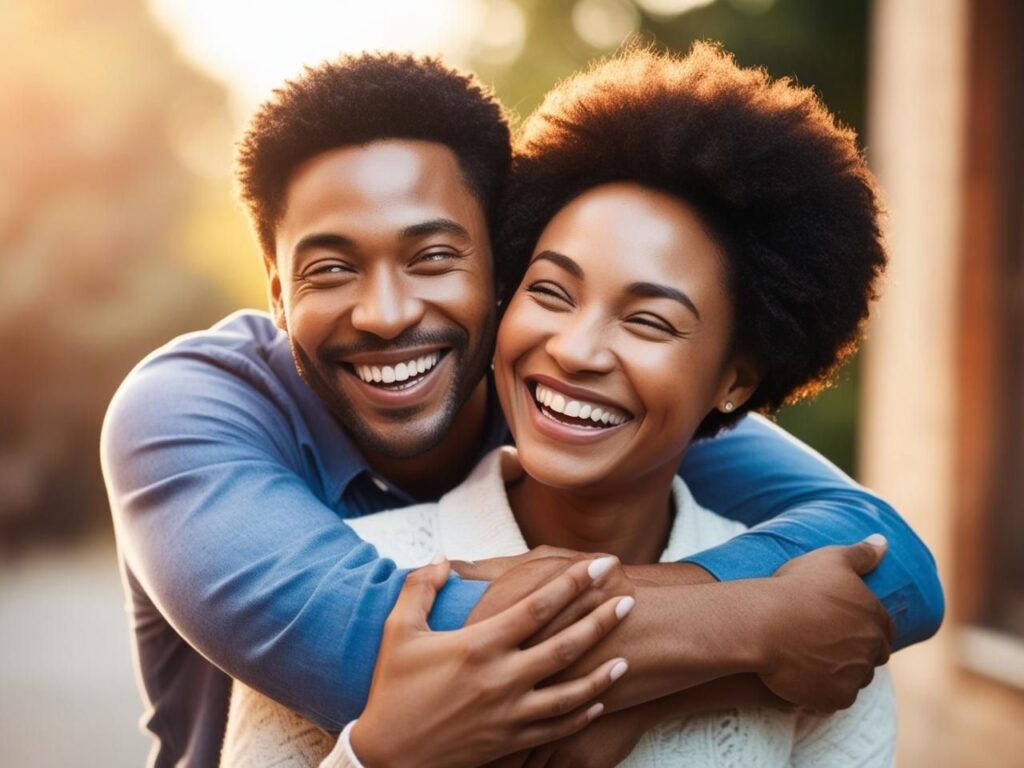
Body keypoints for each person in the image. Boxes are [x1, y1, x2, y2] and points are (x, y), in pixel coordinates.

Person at [100, 51, 940, 768]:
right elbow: (389, 656)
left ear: (497, 272)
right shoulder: (189, 413)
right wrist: (754, 627)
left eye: (432, 255)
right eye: (331, 269)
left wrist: (677, 677)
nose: (387, 312)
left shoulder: (573, 404)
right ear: (277, 294)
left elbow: (890, 563)